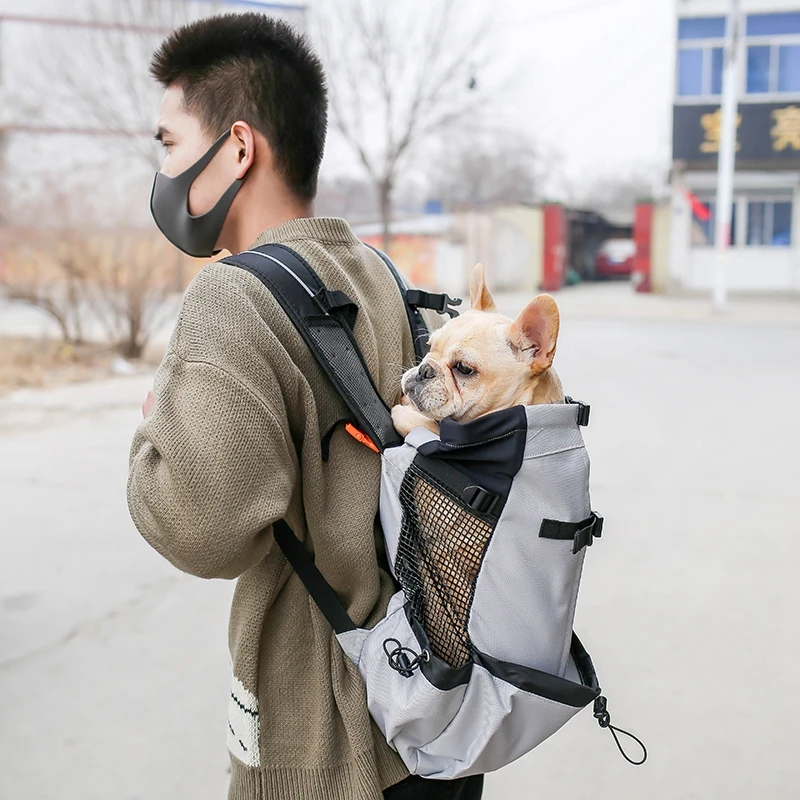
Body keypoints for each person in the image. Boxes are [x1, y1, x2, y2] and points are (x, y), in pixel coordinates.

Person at [126, 12, 483, 800]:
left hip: (326, 749)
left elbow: (202, 530)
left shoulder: (232, 296)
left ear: (241, 147)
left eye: (170, 145)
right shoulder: (383, 275)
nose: (164, 171)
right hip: (433, 718)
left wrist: (155, 426)